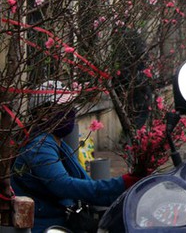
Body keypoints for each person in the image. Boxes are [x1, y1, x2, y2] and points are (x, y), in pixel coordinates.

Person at [12, 81, 144, 233]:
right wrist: (120, 184)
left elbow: (86, 186)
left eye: (70, 106)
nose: (71, 112)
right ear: (43, 115)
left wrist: (125, 196)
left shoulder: (58, 144)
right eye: (63, 108)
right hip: (45, 226)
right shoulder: (39, 146)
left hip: (64, 221)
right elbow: (64, 186)